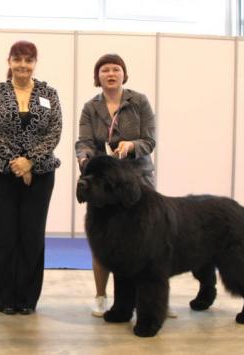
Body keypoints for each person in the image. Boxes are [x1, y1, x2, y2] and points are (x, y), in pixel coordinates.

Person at [75, 53, 177, 318]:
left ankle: (154, 300)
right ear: (97, 76)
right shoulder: (90, 107)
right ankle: (101, 296)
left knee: (151, 243)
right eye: (105, 70)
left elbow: (150, 140)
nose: (110, 73)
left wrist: (132, 146)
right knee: (103, 239)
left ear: (124, 74)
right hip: (103, 186)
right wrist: (84, 157)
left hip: (139, 180)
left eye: (116, 69)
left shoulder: (139, 101)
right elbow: (84, 141)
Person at [0, 40, 62, 315]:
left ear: (35, 63)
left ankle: (27, 299)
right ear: (9, 62)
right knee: (3, 235)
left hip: (40, 175)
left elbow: (54, 132)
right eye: (18, 59)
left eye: (28, 60)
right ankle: (3, 298)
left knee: (31, 235)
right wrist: (16, 163)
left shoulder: (48, 93)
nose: (23, 65)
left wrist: (30, 162)